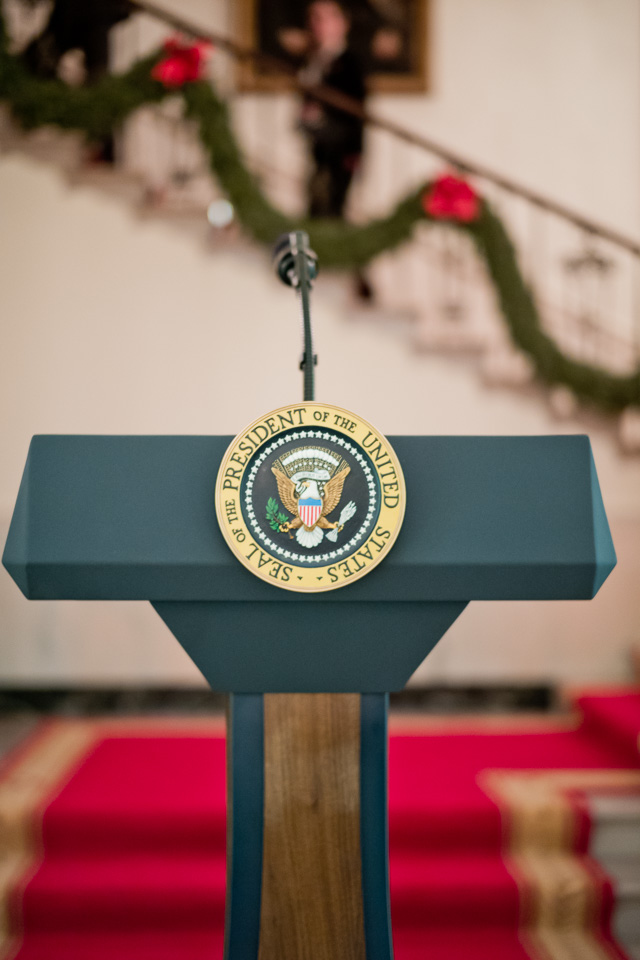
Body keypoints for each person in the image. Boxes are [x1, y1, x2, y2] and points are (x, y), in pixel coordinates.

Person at [297, 1, 366, 221]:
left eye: (326, 18)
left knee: (334, 204)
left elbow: (355, 108)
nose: (319, 25)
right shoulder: (312, 61)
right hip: (319, 147)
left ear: (342, 23)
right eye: (315, 18)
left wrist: (322, 114)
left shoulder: (350, 62)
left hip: (342, 147)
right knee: (316, 202)